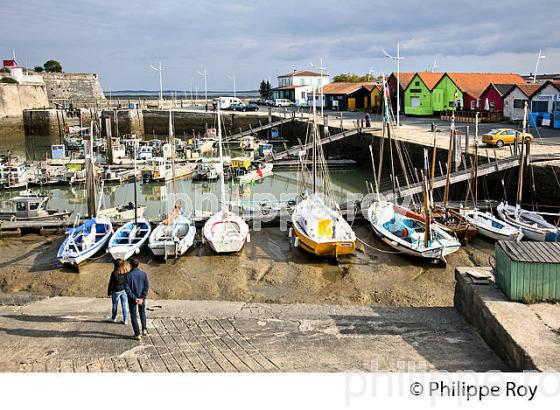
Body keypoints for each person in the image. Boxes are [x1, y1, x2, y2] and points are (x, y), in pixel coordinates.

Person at [124, 257, 149, 340]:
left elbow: (127, 289)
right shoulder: (144, 274)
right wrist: (142, 298)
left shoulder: (127, 276)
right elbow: (146, 287)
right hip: (141, 298)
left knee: (134, 315)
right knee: (142, 312)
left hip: (132, 299)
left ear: (130, 265)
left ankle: (137, 334)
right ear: (138, 264)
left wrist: (134, 298)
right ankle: (144, 329)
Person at [107, 259, 129, 324]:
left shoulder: (114, 273)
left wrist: (109, 291)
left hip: (116, 291)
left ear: (115, 265)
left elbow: (111, 283)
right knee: (124, 304)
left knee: (115, 304)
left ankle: (113, 318)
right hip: (124, 290)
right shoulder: (126, 271)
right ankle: (126, 320)